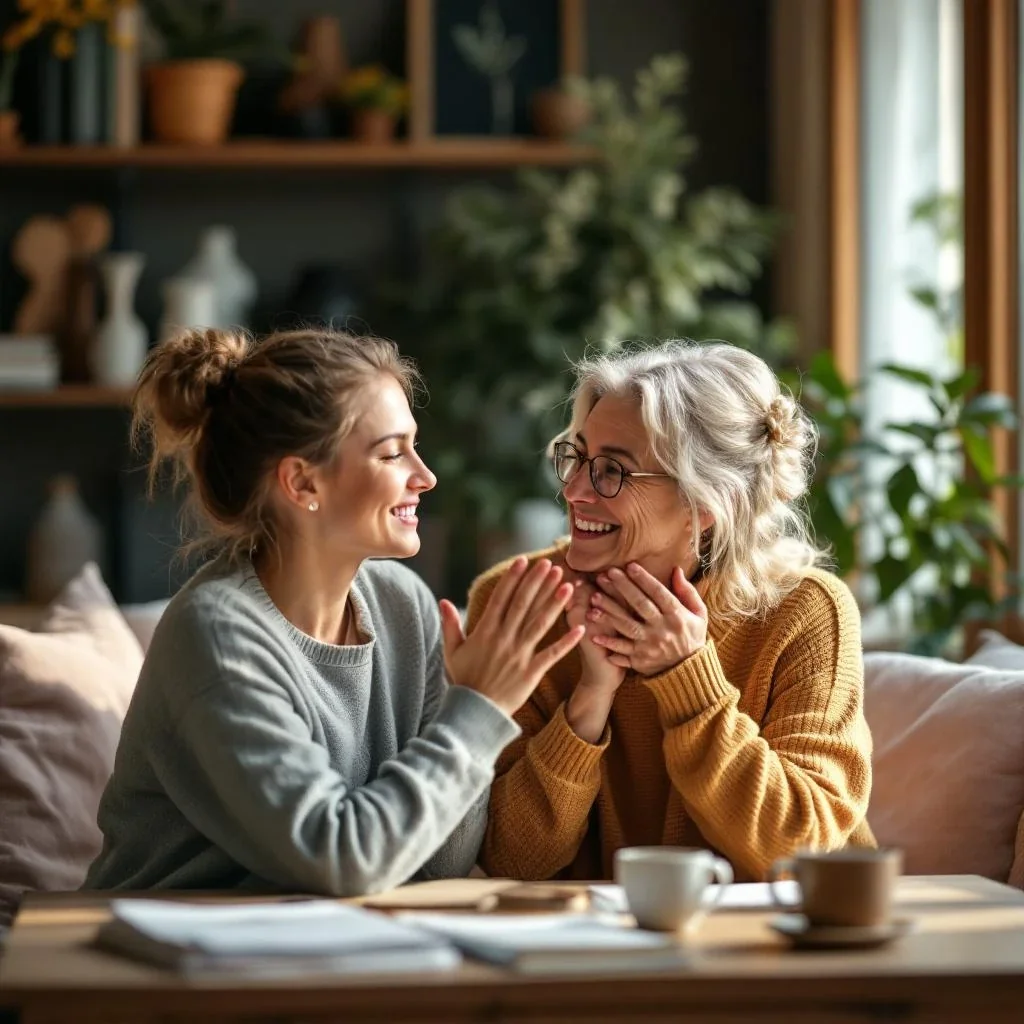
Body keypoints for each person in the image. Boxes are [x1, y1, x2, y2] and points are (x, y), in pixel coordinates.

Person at [84, 327, 584, 896]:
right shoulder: (219, 635)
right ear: (303, 482)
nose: (425, 477)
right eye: (392, 453)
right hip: (156, 942)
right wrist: (477, 710)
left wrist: (468, 710)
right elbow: (342, 860)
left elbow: (438, 861)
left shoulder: (403, 605)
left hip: (308, 939)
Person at [473, 340, 875, 883]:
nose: (573, 490)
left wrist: (686, 679)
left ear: (705, 503)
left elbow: (803, 849)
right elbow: (509, 860)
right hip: (591, 934)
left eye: (612, 470)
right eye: (578, 458)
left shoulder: (805, 612)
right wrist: (588, 702)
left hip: (783, 931)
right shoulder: (516, 601)